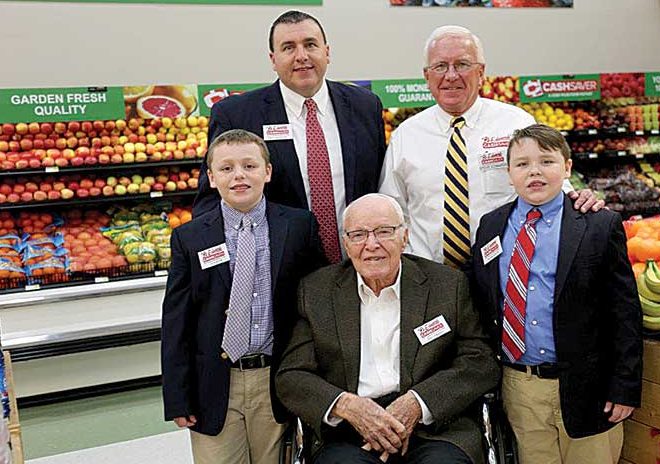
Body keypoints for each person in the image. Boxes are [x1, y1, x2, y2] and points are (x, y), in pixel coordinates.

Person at [275, 193, 499, 464]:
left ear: (404, 236)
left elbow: (480, 361)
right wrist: (348, 406)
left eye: (384, 231)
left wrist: (418, 402)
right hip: (350, 433)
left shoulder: (447, 286)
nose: (372, 244)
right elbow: (292, 375)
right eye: (358, 235)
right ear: (346, 243)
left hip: (434, 430)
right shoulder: (316, 292)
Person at [468, 125, 642, 464]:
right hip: (519, 386)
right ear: (508, 174)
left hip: (588, 385)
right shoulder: (491, 226)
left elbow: (624, 311)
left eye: (547, 161)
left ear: (567, 168)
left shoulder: (597, 224)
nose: (534, 171)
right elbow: (481, 293)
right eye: (522, 164)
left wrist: (624, 386)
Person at [162, 129, 327, 464]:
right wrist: (177, 396)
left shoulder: (297, 227)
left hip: (276, 378)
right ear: (210, 178)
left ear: (267, 172)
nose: (239, 175)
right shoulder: (190, 237)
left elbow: (318, 303)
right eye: (226, 168)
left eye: (249, 166)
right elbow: (177, 320)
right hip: (213, 381)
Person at [379, 25, 601, 269]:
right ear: (426, 76)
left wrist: (576, 198)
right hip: (431, 276)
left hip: (507, 272)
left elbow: (549, 183)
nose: (451, 76)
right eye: (440, 66)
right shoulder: (405, 136)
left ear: (481, 72)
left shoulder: (515, 123)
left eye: (462, 64)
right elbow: (392, 210)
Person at [195, 10, 386, 263]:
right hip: (277, 270)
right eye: (288, 48)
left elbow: (380, 186)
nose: (302, 56)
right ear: (273, 59)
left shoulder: (365, 106)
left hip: (357, 265)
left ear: (326, 52)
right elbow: (212, 199)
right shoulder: (237, 115)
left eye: (310, 45)